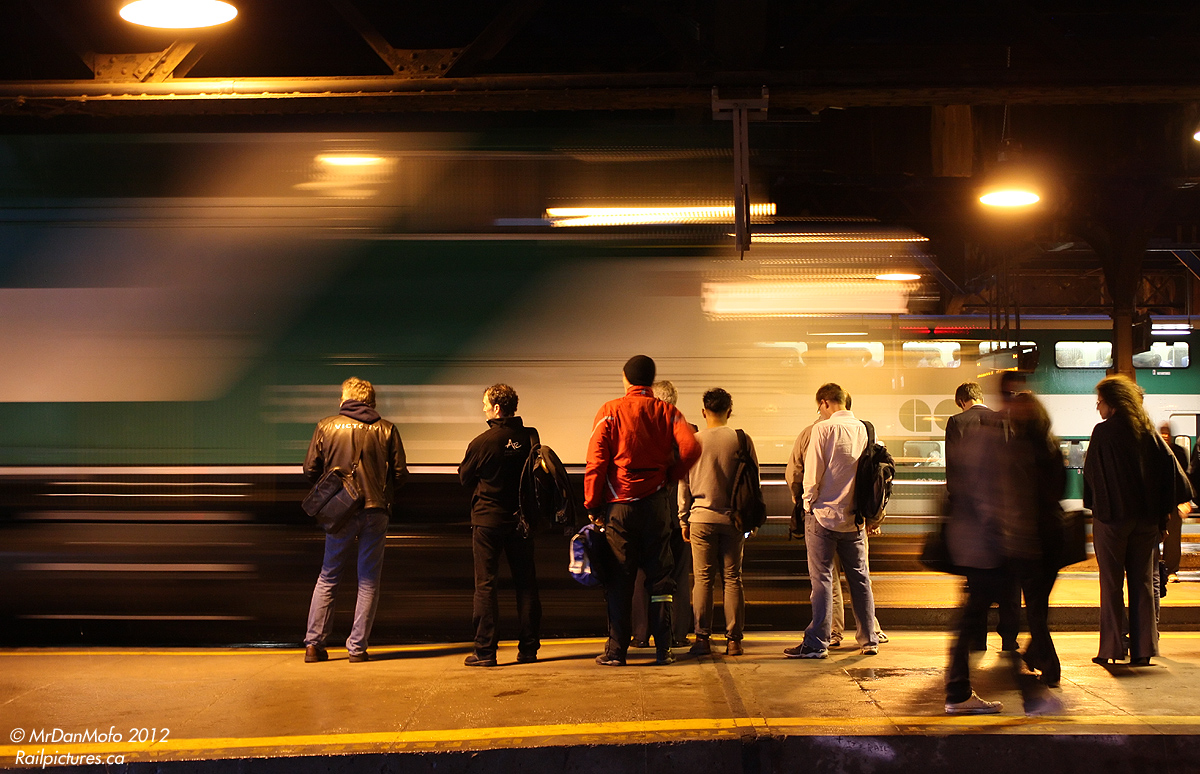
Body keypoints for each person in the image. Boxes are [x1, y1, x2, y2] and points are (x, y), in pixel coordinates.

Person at [587, 355, 701, 666]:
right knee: (659, 579)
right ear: (650, 381)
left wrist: (593, 504)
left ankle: (617, 651)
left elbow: (596, 461)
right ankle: (663, 649)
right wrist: (669, 476)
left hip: (620, 508)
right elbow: (691, 448)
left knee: (620, 579)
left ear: (626, 379)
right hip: (656, 507)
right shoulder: (668, 412)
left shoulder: (610, 411)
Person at [303, 377, 408, 664]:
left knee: (329, 575)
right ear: (371, 401)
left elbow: (310, 469)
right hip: (375, 510)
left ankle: (314, 644)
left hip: (340, 511)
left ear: (345, 399)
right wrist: (380, 489)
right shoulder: (386, 429)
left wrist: (335, 490)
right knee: (369, 579)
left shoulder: (327, 425)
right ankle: (357, 648)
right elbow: (400, 474)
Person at [1085, 374, 1187, 666]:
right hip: (1145, 522)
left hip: (1113, 519)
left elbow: (1092, 476)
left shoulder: (1102, 433)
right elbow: (1172, 475)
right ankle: (1144, 649)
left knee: (1112, 584)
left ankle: (1113, 648)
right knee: (1142, 583)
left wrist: (1099, 508)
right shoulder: (1148, 433)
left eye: (1100, 401)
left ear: (1113, 403)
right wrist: (1162, 519)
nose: (1098, 407)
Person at [784, 383, 879, 659]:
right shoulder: (862, 428)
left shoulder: (822, 429)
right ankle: (868, 638)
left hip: (823, 517)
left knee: (822, 581)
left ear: (825, 403)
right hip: (854, 519)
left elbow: (812, 473)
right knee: (860, 580)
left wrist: (807, 505)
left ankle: (817, 642)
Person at [458, 383, 542, 667]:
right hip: (521, 522)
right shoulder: (531, 437)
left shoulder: (482, 442)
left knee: (486, 586)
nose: (483, 409)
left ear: (496, 407)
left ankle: (485, 652)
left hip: (487, 520)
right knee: (526, 584)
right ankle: (529, 649)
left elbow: (465, 478)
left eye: (485, 404)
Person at [943, 398, 1010, 713]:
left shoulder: (960, 428)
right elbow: (985, 498)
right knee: (974, 613)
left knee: (972, 613)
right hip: (983, 545)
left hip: (971, 542)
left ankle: (959, 689)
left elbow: (954, 483)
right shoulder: (990, 438)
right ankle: (958, 692)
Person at [679, 387, 755, 656]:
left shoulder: (692, 441)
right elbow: (752, 484)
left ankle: (702, 639)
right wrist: (751, 520)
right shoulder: (741, 440)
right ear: (729, 412)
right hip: (733, 520)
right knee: (733, 579)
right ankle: (734, 640)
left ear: (704, 412)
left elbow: (683, 484)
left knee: (702, 580)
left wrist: (683, 519)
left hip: (700, 519)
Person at [945, 381, 1019, 652]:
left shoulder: (956, 422)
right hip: (1004, 514)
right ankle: (1009, 639)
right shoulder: (1002, 419)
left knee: (976, 583)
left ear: (962, 401)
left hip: (971, 515)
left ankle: (978, 640)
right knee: (1009, 582)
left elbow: (953, 471)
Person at [1004, 392, 1067, 688]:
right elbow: (1060, 491)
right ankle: (1032, 654)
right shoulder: (1053, 448)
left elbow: (1016, 496)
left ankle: (1051, 665)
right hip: (1053, 535)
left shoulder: (1017, 449)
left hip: (1029, 537)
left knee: (1036, 608)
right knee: (1039, 605)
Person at [631, 380, 694, 649]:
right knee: (679, 574)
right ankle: (678, 633)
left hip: (648, 510)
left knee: (642, 573)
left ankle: (642, 633)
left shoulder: (642, 430)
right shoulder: (690, 432)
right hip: (681, 514)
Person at [1159, 423, 1192, 585]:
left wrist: (1184, 499)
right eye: (1162, 433)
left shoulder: (1179, 452)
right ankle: (1155, 569)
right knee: (1152, 536)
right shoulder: (1154, 450)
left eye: (1167, 433)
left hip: (1174, 501)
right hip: (1157, 502)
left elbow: (1184, 477)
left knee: (1172, 538)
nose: (1165, 435)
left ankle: (1171, 570)